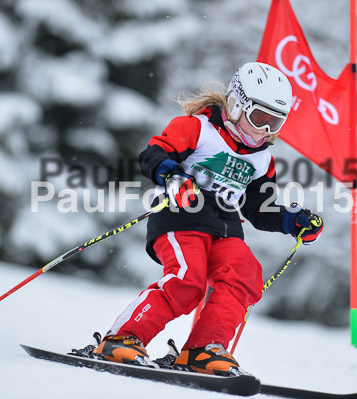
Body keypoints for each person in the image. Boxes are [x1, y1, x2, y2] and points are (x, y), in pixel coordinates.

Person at [87, 62, 323, 375]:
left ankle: (203, 349)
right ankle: (123, 339)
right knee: (188, 279)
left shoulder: (261, 159)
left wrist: (293, 222)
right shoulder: (199, 129)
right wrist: (172, 177)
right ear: (238, 105)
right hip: (181, 217)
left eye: (274, 122)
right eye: (259, 118)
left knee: (245, 272)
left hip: (226, 229)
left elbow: (258, 208)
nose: (265, 130)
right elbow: (152, 155)